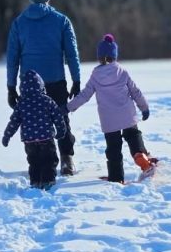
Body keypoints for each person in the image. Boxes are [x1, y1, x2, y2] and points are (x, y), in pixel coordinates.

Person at [6, 0, 81, 176]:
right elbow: (72, 54)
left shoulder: (19, 23)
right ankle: (66, 159)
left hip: (29, 84)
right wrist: (76, 79)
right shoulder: (61, 21)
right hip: (56, 80)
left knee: (32, 120)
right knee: (62, 118)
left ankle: (37, 161)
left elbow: (12, 59)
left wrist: (11, 87)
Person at [66, 34, 157, 184]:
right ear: (115, 55)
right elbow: (135, 92)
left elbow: (85, 95)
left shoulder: (96, 75)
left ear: (99, 57)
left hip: (109, 121)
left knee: (113, 150)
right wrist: (144, 108)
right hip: (127, 115)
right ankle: (141, 156)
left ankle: (116, 177)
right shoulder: (122, 71)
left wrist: (69, 107)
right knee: (134, 136)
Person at [1, 70, 67, 189]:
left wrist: (7, 136)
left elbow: (14, 121)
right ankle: (48, 181)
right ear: (41, 86)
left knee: (34, 161)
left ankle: (35, 181)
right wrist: (61, 130)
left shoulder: (21, 104)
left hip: (29, 140)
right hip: (46, 138)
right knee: (49, 159)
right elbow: (57, 116)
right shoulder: (47, 100)